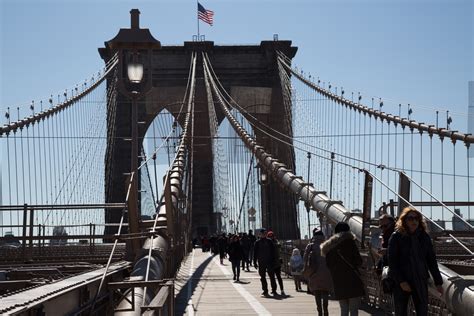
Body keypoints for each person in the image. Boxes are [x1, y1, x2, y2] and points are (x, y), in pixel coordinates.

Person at [388, 207, 443, 316]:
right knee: (400, 312)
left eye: (417, 218)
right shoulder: (396, 237)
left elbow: (431, 261)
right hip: (402, 281)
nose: (414, 221)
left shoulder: (424, 237)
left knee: (422, 312)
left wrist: (438, 282)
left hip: (420, 279)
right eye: (410, 218)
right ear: (404, 220)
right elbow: (392, 262)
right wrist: (401, 281)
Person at [321, 222, 365, 316]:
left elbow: (328, 265)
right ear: (348, 230)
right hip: (352, 281)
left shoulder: (328, 247)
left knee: (344, 309)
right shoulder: (350, 242)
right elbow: (359, 261)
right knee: (353, 310)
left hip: (338, 282)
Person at [305, 228, 332, 316]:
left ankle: (319, 312)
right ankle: (326, 311)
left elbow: (305, 259)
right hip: (327, 273)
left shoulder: (310, 246)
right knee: (325, 292)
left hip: (314, 272)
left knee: (317, 293)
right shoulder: (327, 245)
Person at [253, 230, 277, 297]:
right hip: (261, 262)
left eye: (264, 233)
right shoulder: (257, 242)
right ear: (260, 234)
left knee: (272, 276)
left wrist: (274, 260)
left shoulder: (269, 241)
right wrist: (254, 262)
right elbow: (255, 253)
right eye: (262, 233)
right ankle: (265, 290)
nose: (263, 234)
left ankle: (274, 289)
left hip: (269, 261)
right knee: (262, 277)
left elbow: (273, 252)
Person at [268, 231, 285, 295]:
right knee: (272, 278)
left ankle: (282, 289)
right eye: (269, 236)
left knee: (278, 277)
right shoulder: (268, 242)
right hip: (270, 263)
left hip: (277, 262)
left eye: (271, 236)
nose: (271, 237)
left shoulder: (276, 242)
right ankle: (274, 290)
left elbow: (279, 245)